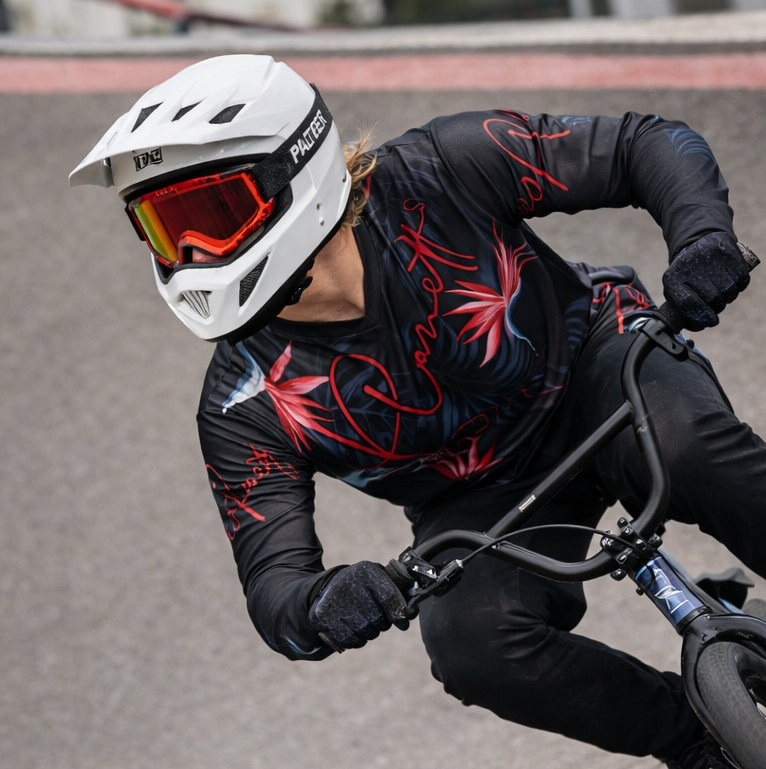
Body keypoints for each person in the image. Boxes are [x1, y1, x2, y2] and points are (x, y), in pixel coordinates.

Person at [70, 54, 764, 768]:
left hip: (596, 363)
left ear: (294, 171)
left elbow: (641, 143)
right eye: (166, 229)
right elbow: (275, 589)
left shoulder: (442, 168)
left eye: (213, 215)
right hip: (480, 498)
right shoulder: (240, 403)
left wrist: (701, 238)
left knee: (691, 450)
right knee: (472, 647)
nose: (191, 255)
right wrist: (324, 602)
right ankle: (704, 742)